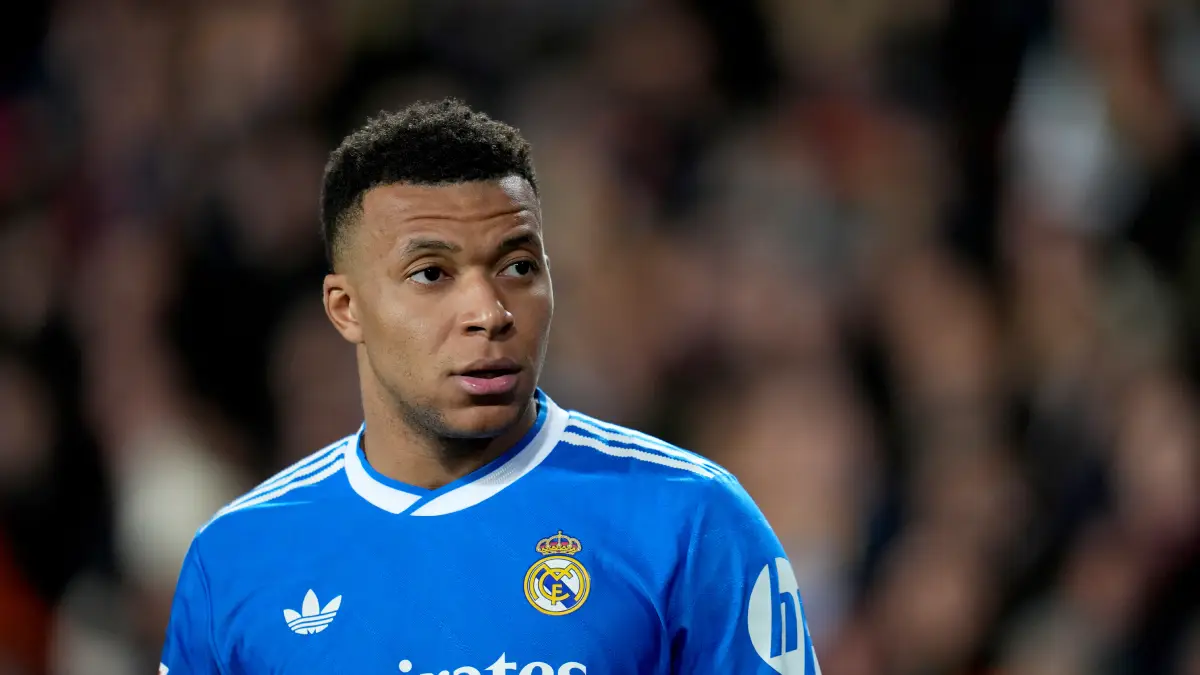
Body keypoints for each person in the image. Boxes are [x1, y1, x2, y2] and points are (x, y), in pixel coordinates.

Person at [158, 98, 821, 675]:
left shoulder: (690, 520)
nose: (490, 312)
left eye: (518, 265)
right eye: (431, 274)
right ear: (346, 308)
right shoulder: (237, 559)